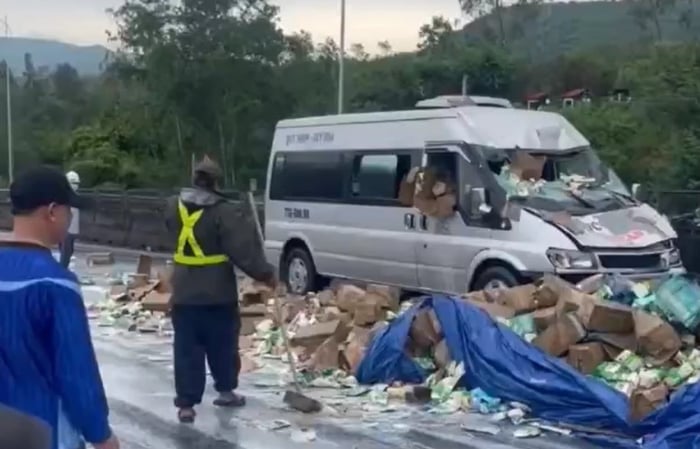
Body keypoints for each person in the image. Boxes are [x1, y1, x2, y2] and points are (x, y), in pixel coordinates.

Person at [0, 166, 118, 449]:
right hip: (42, 433)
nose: (70, 219)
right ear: (52, 211)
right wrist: (101, 436)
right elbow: (76, 374)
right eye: (69, 211)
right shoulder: (57, 284)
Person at [165, 156, 276, 423]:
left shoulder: (172, 206)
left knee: (186, 349)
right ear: (215, 181)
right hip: (217, 292)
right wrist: (265, 274)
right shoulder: (223, 211)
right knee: (222, 345)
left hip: (183, 291)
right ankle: (226, 391)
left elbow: (170, 233)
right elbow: (243, 251)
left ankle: (186, 405)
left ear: (194, 178)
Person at [59, 170, 80, 268]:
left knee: (68, 250)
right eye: (73, 183)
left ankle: (63, 268)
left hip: (72, 229)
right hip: (66, 229)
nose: (75, 185)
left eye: (76, 183)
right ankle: (62, 269)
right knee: (66, 251)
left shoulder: (75, 196)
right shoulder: (63, 197)